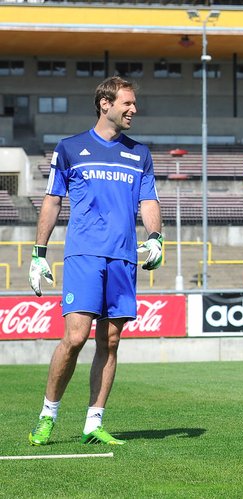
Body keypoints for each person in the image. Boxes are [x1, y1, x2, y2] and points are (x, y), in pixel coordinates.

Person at [28, 76, 164, 446]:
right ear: (105, 104)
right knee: (75, 337)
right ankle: (47, 416)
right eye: (127, 103)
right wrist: (38, 254)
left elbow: (148, 201)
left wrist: (155, 238)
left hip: (123, 257)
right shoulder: (70, 148)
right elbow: (53, 200)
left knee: (112, 339)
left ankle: (94, 422)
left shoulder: (141, 154)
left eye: (134, 104)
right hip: (84, 254)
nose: (134, 109)